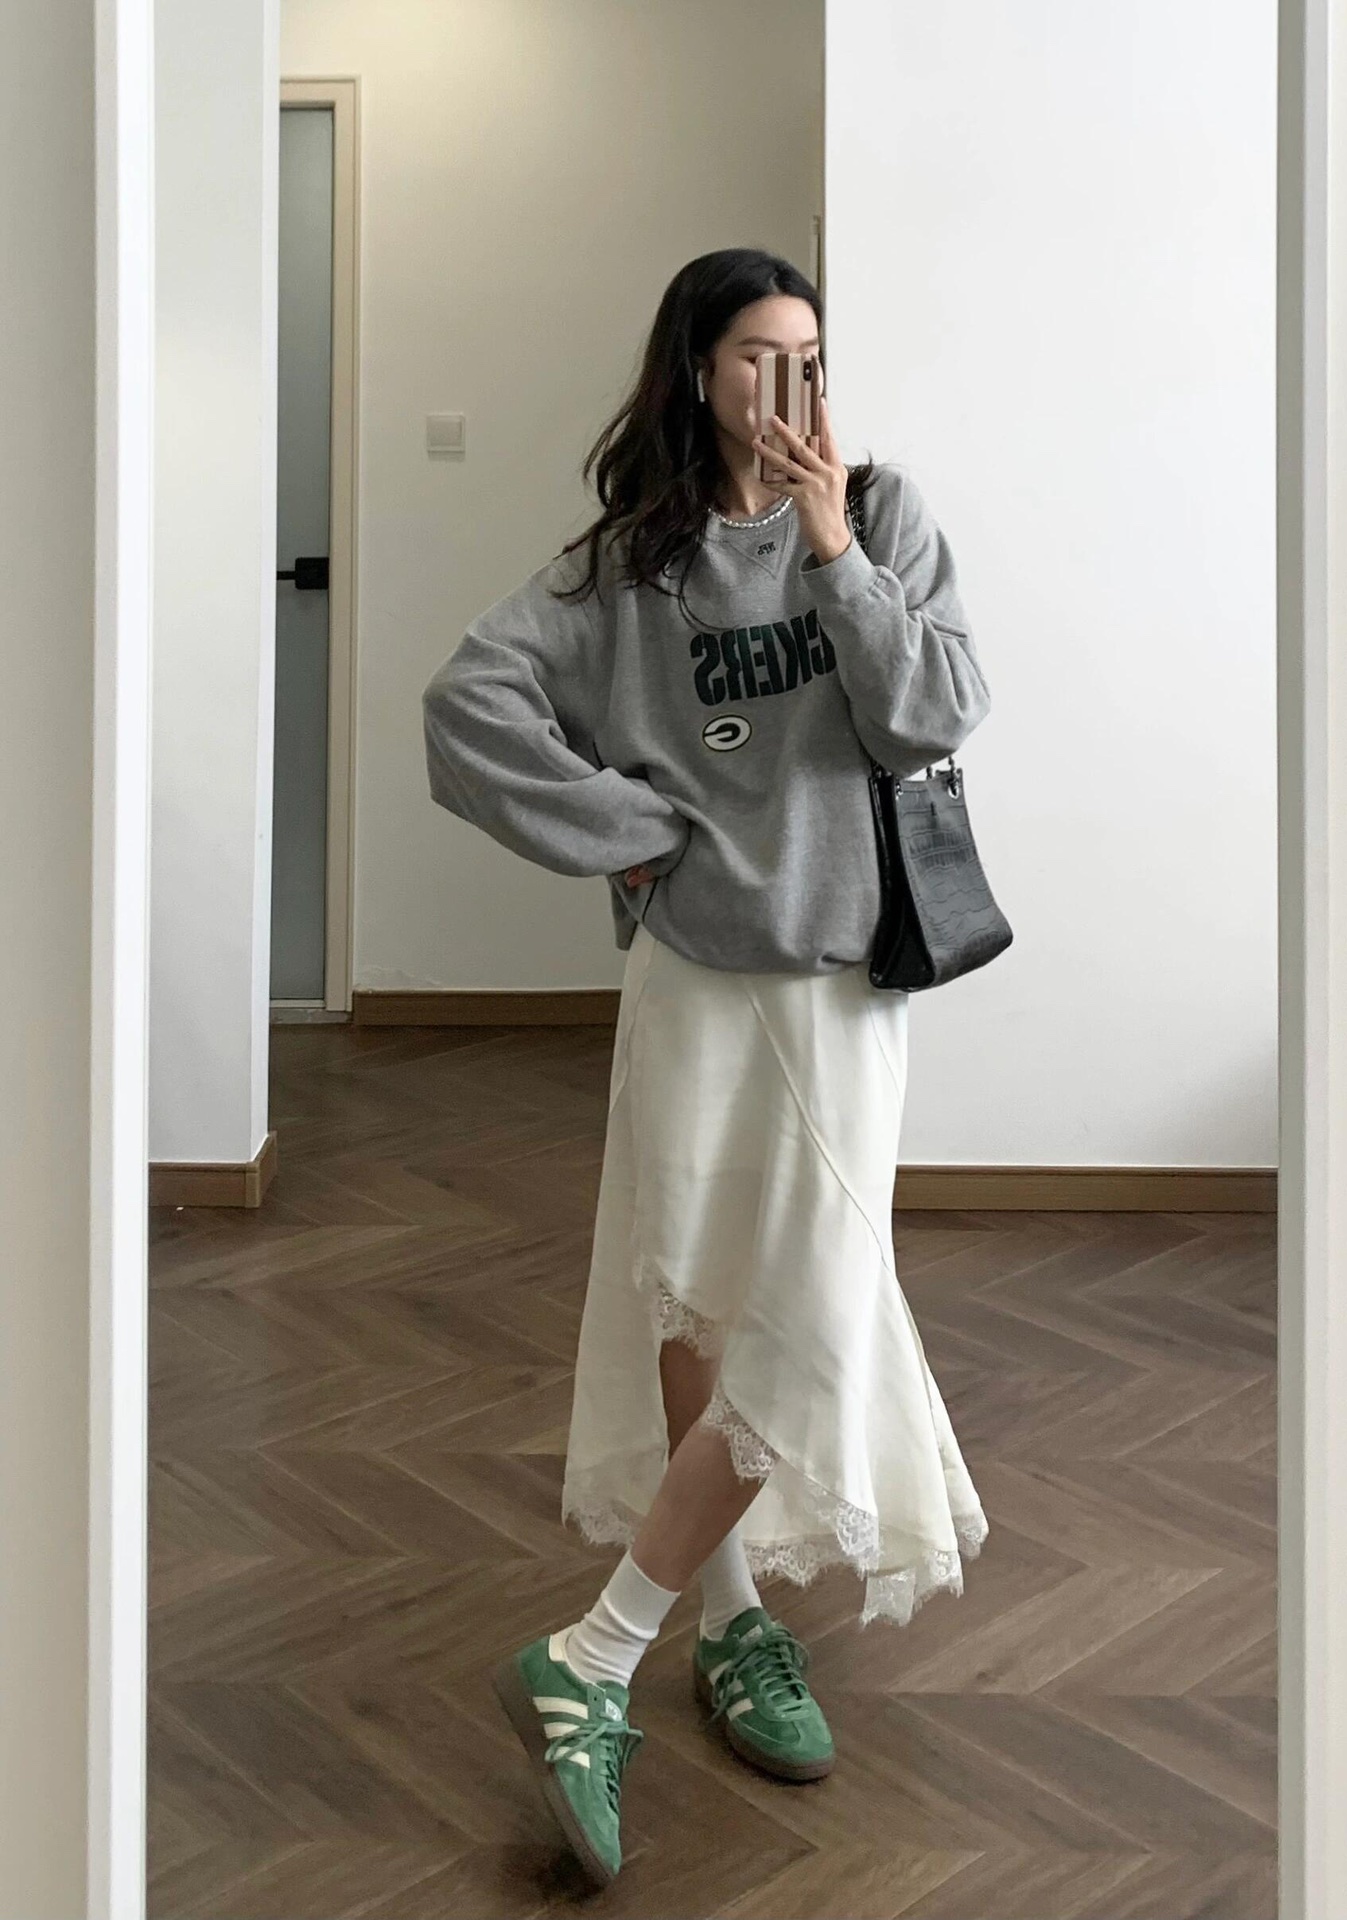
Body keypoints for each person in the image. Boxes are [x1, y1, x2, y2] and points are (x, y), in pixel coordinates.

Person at [421, 247, 991, 1887]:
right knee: (697, 1302)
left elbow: (930, 714)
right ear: (695, 371)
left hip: (838, 987)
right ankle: (729, 1620)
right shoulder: (630, 566)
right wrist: (631, 832)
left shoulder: (878, 516)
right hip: (692, 984)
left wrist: (829, 552)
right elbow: (466, 706)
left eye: (807, 353)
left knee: (809, 1320)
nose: (785, 384)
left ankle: (598, 1647)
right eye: (753, 355)